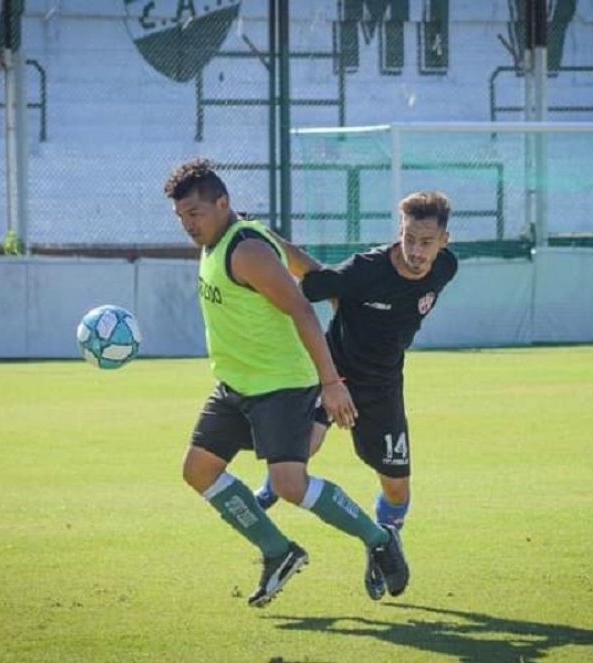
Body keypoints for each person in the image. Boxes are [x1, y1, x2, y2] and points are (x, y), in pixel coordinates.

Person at [164, 157, 409, 608]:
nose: (188, 226)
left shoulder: (247, 250)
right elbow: (306, 267)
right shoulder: (233, 239)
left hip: (281, 386)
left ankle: (378, 538)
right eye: (181, 217)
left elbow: (300, 309)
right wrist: (334, 289)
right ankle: (279, 552)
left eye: (194, 214)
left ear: (223, 203)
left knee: (290, 484)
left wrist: (331, 382)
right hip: (236, 385)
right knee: (198, 470)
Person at [254, 190, 458, 600]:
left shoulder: (446, 268)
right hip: (333, 372)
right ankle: (273, 485)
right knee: (302, 450)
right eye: (408, 238)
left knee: (397, 487)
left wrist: (347, 303)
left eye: (426, 242)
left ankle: (385, 542)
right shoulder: (366, 269)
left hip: (383, 386)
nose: (416, 250)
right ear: (399, 231)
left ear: (444, 241)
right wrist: (262, 238)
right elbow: (314, 282)